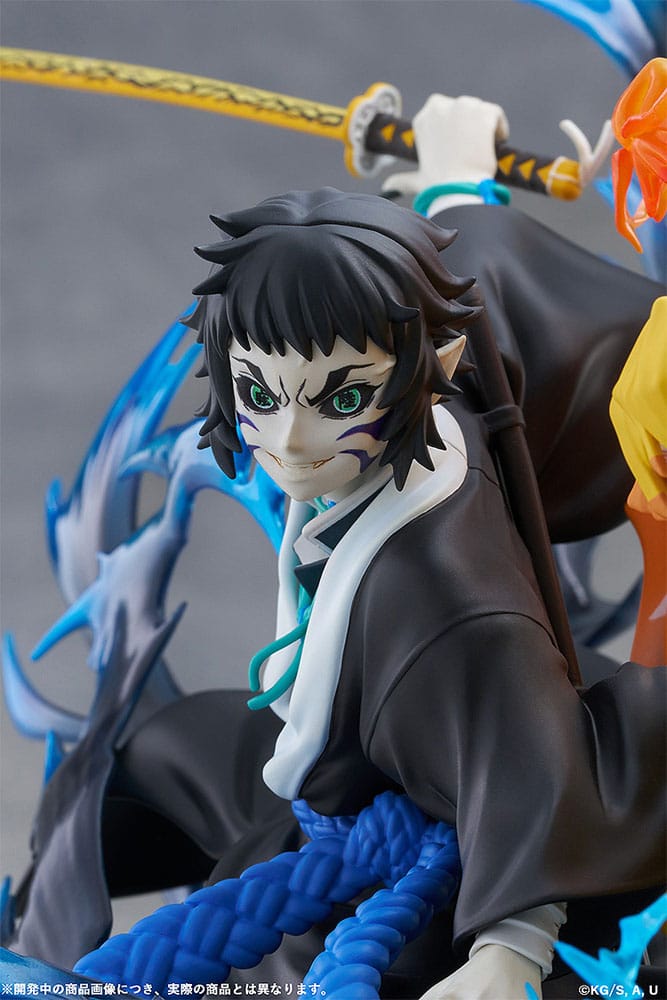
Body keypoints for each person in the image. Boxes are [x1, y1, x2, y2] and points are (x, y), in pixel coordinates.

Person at [14, 98, 667, 1000]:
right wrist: (453, 181)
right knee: (149, 760)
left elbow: (523, 752)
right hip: (351, 774)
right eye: (258, 392)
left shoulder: (448, 595)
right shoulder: (434, 379)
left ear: (428, 371)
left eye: (342, 399)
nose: (290, 441)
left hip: (476, 848)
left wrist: (509, 951)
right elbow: (481, 285)